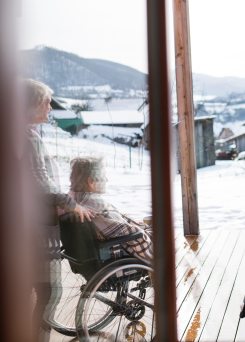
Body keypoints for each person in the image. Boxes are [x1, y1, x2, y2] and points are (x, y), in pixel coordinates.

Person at [23, 78, 93, 342]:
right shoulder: (27, 137)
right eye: (46, 102)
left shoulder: (23, 133)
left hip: (29, 221)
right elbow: (39, 181)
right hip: (38, 225)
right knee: (49, 291)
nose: (50, 107)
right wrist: (70, 203)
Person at [68, 156, 153, 262]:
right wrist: (142, 229)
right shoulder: (95, 205)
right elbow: (130, 234)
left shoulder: (78, 200)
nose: (107, 180)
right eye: (103, 176)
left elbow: (117, 227)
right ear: (91, 181)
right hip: (122, 250)